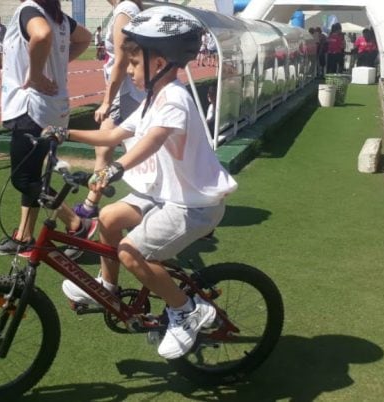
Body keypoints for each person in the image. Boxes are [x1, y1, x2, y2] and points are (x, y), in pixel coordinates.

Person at [43, 6, 238, 359]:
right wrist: (64, 132)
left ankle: (187, 311)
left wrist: (113, 169)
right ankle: (107, 286)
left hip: (192, 205)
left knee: (130, 252)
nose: (128, 70)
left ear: (159, 62)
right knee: (107, 218)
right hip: (163, 196)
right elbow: (116, 133)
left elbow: (153, 141)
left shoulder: (175, 100)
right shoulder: (152, 99)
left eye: (134, 64)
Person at [0, 0, 95, 258]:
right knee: (33, 176)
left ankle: (76, 224)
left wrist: (36, 73)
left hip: (31, 109)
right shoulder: (58, 17)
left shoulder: (30, 11)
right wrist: (54, 64)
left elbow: (41, 34)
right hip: (53, 109)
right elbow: (85, 38)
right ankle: (24, 236)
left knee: (23, 179)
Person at [72, 0, 145, 219]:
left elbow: (121, 62)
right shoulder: (126, 10)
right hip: (127, 94)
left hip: (126, 95)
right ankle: (89, 205)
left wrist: (106, 101)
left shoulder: (125, 11)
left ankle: (186, 203)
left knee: (141, 151)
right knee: (104, 149)